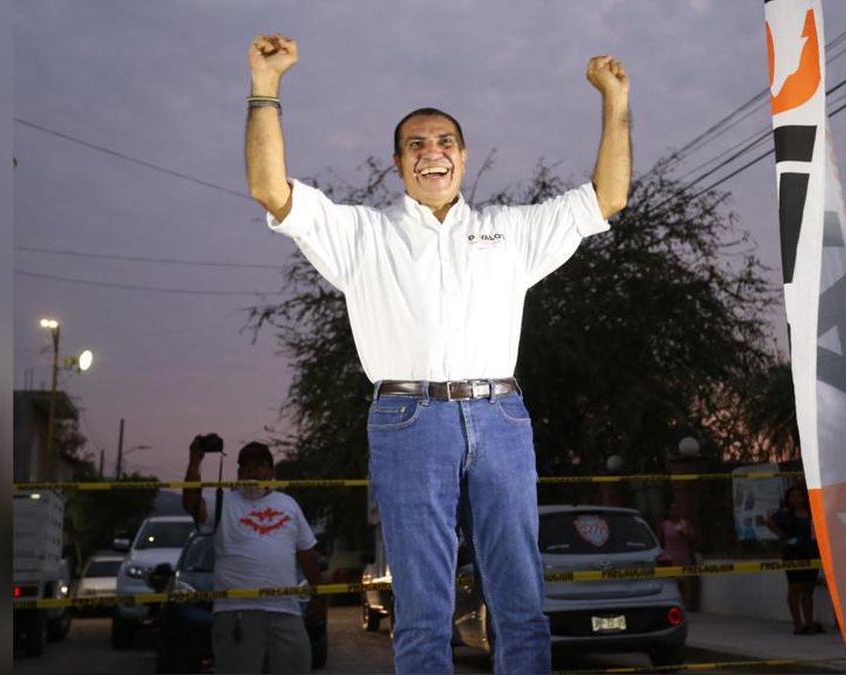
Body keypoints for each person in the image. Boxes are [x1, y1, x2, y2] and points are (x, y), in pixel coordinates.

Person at [243, 32, 630, 674]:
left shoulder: (509, 231)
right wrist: (265, 85)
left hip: (501, 418)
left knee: (521, 603)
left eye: (445, 141)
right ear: (398, 163)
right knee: (424, 610)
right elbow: (269, 189)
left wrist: (614, 99)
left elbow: (607, 198)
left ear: (463, 157)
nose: (433, 152)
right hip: (410, 421)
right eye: (417, 144)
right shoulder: (362, 234)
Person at [182, 436, 323, 673]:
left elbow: (307, 553)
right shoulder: (223, 502)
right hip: (236, 611)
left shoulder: (289, 504)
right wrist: (195, 460)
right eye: (245, 466)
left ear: (271, 471)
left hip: (286, 610)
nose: (252, 471)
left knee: (297, 666)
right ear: (238, 473)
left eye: (259, 465)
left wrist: (319, 597)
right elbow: (191, 504)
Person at [765, 484, 824, 635]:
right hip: (793, 554)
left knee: (808, 589)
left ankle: (809, 623)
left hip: (811, 553)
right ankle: (798, 624)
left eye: (799, 495)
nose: (796, 499)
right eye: (793, 496)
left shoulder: (811, 512)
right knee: (795, 588)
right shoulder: (786, 513)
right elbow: (768, 521)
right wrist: (783, 536)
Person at [658, 501, 699, 610]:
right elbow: (660, 542)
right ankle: (673, 605)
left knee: (686, 583)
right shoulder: (664, 525)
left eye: (676, 510)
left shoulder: (685, 524)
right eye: (672, 510)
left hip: (683, 557)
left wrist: (685, 534)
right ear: (668, 512)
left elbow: (693, 540)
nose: (674, 512)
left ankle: (687, 606)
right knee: (672, 583)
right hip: (669, 558)